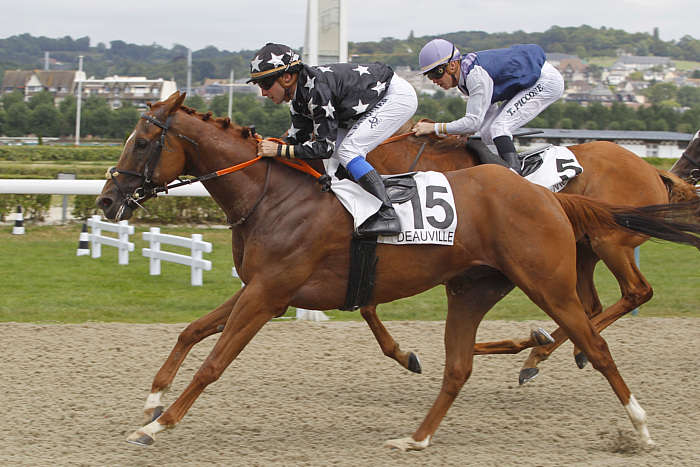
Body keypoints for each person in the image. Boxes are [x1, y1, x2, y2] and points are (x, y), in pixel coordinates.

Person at [249, 43, 418, 237]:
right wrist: (267, 145)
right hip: (363, 106)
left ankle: (387, 215)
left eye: (265, 84)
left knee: (348, 151)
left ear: (287, 78)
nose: (263, 93)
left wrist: (278, 151)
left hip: (395, 97)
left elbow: (323, 148)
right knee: (333, 166)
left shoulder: (317, 91)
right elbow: (297, 140)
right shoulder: (298, 99)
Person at [413, 39, 564, 174]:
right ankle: (501, 167)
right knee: (486, 133)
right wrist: (464, 130)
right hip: (532, 81)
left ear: (452, 65)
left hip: (545, 82)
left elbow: (472, 123)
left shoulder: (475, 77)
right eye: (429, 76)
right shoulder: (464, 79)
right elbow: (484, 114)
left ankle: (513, 172)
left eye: (436, 73)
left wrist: (434, 128)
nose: (434, 81)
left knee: (499, 127)